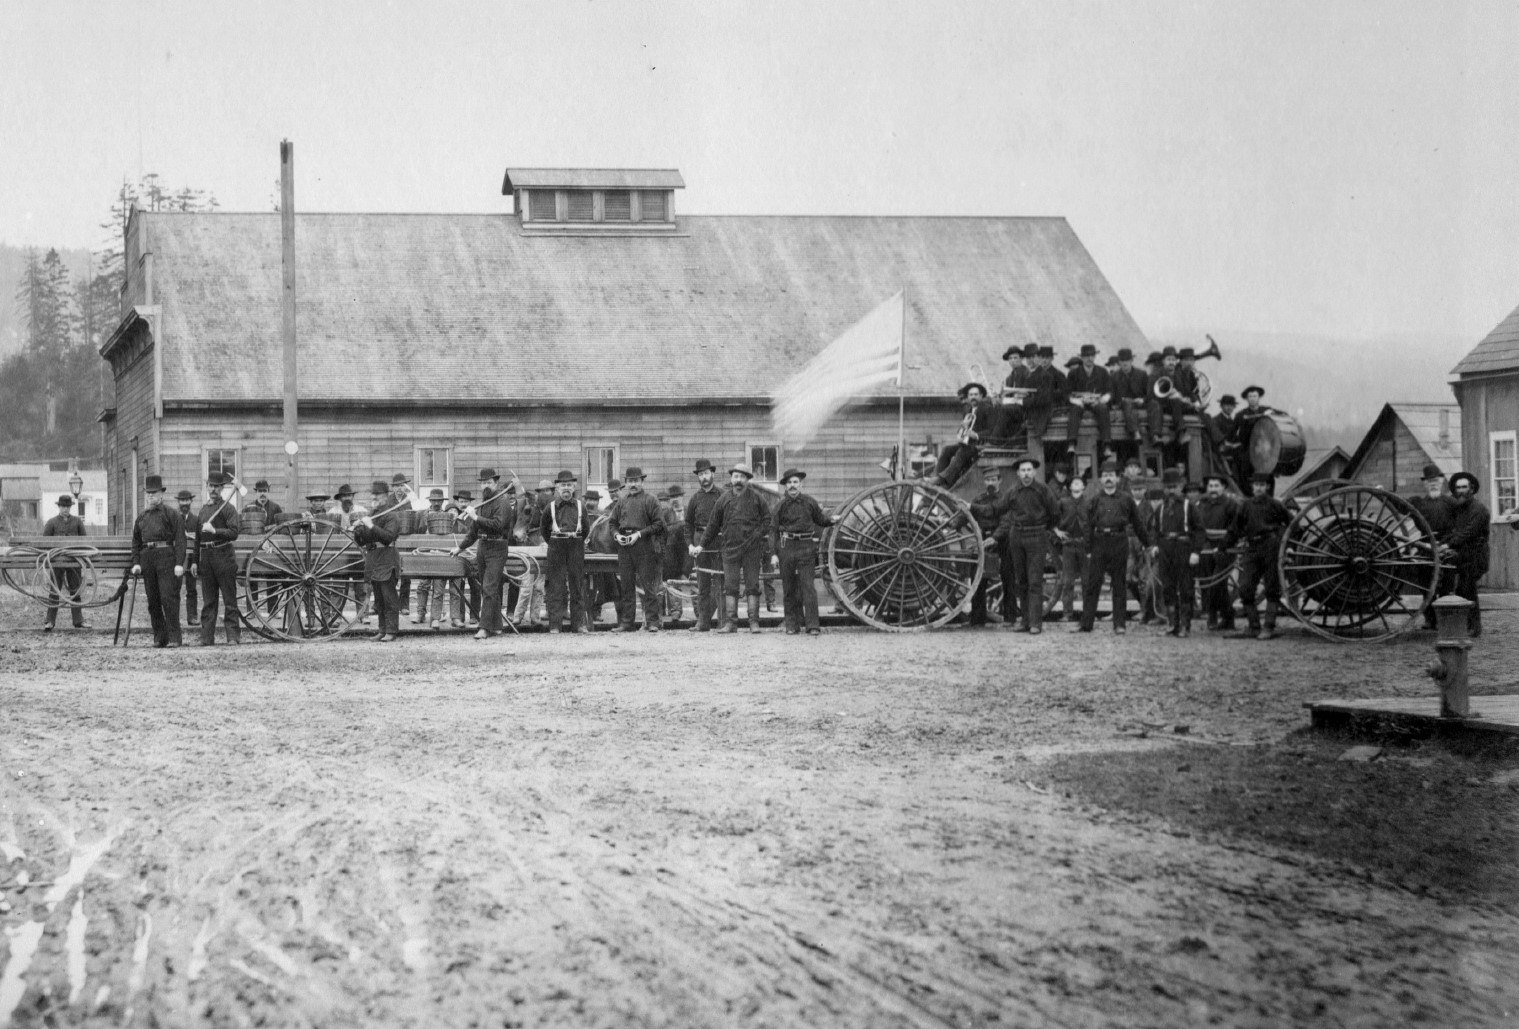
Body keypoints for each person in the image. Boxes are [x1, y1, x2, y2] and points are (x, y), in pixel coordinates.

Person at [985, 456, 1064, 634]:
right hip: (1017, 536)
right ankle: (1025, 621)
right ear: (1018, 473)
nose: (1026, 474)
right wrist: (971, 507)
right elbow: (996, 509)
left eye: (1029, 470)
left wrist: (1045, 527)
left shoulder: (1043, 490)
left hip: (1037, 536)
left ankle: (1035, 623)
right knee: (1021, 580)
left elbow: (1055, 513)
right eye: (1023, 471)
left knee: (1035, 580)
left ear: (1034, 472)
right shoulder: (1013, 492)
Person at [1073, 460, 1150, 635]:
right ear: (1101, 479)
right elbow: (1087, 527)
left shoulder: (1126, 499)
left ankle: (1119, 624)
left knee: (1119, 584)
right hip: (1099, 542)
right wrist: (1088, 549)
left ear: (1117, 478)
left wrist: (1148, 544)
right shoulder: (1094, 500)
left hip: (1119, 542)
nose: (1108, 479)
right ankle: (1086, 623)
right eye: (1105, 476)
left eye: (1111, 476)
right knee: (1093, 585)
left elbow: (1138, 524)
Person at [451, 468, 529, 639]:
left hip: (497, 547)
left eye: (489, 482)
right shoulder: (483, 504)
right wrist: (460, 548)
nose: (485, 485)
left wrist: (476, 518)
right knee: (487, 588)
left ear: (495, 484)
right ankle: (497, 625)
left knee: (489, 587)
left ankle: (484, 627)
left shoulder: (503, 503)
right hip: (483, 547)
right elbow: (473, 532)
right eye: (483, 483)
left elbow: (498, 525)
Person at [695, 462, 771, 633]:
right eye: (736, 476)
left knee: (752, 585)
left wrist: (757, 535)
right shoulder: (724, 499)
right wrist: (701, 545)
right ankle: (731, 623)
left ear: (747, 480)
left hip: (752, 550)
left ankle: (754, 622)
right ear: (731, 478)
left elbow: (767, 520)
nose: (739, 480)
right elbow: (713, 525)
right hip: (729, 549)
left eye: (743, 477)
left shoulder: (757, 498)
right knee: (730, 586)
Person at [1225, 472, 1294, 640]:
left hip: (1271, 546)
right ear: (1252, 487)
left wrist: (1286, 542)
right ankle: (1253, 626)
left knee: (1272, 587)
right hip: (1252, 548)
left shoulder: (1275, 505)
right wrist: (1223, 546)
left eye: (1262, 485)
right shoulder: (1246, 506)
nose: (1259, 488)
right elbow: (1235, 528)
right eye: (1256, 485)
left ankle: (1268, 627)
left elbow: (1292, 523)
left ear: (1267, 487)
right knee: (1245, 587)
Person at [771, 468, 837, 635]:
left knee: (808, 587)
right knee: (788, 588)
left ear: (801, 485)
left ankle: (813, 625)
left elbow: (820, 520)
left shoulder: (809, 502)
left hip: (806, 546)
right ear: (785, 486)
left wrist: (831, 520)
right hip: (786, 546)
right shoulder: (780, 506)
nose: (792, 486)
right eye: (789, 483)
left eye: (795, 482)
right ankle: (792, 625)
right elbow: (772, 531)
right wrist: (773, 554)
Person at [130, 474, 187, 648]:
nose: (150, 496)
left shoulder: (172, 514)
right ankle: (159, 637)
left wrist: (179, 563)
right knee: (153, 600)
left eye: (154, 493)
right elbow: (136, 543)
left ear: (161, 494)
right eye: (148, 493)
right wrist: (136, 562)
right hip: (148, 559)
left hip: (167, 558)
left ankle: (174, 638)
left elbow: (181, 540)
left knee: (168, 598)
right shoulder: (142, 517)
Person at [608, 466, 667, 631]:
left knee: (648, 587)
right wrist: (617, 536)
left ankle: (653, 622)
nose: (633, 484)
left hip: (644, 546)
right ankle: (627, 622)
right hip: (624, 546)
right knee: (626, 586)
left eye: (636, 481)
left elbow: (659, 524)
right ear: (626, 483)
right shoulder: (622, 502)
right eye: (630, 481)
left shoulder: (650, 500)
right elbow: (612, 523)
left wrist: (639, 534)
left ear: (642, 482)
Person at [537, 470, 594, 633]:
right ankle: (555, 625)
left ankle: (579, 624)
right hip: (556, 547)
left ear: (574, 486)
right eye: (563, 485)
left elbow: (586, 529)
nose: (566, 488)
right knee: (556, 586)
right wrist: (555, 542)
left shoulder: (580, 506)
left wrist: (575, 541)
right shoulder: (551, 507)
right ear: (557, 487)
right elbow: (544, 530)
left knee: (577, 585)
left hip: (576, 546)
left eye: (569, 485)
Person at [1152, 470, 1204, 637]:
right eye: (1168, 487)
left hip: (1183, 549)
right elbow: (1154, 530)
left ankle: (1184, 626)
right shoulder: (1160, 508)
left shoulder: (1189, 507)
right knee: (1167, 587)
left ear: (1181, 487)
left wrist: (1196, 552)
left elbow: (1199, 531)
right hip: (1165, 549)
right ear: (1164, 488)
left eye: (1174, 487)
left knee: (1185, 588)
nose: (1171, 490)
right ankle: (1172, 624)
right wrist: (1154, 545)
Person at [193, 471, 242, 646]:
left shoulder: (229, 509)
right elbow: (198, 539)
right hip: (206, 559)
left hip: (224, 557)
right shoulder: (204, 510)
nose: (213, 489)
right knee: (208, 601)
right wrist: (194, 561)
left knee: (229, 599)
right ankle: (207, 638)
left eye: (216, 486)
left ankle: (233, 637)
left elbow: (234, 533)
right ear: (207, 487)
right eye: (210, 486)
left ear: (222, 488)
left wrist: (215, 531)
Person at [354, 477, 405, 641]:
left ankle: (392, 631)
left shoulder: (391, 516)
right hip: (373, 559)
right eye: (372, 495)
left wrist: (370, 526)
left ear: (385, 496)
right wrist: (358, 531)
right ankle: (382, 630)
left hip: (387, 559)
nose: (373, 498)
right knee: (379, 600)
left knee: (389, 597)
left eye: (376, 496)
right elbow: (363, 541)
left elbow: (388, 538)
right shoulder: (373, 515)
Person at [1408, 463, 1456, 629]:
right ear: (1425, 484)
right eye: (1429, 481)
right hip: (1425, 548)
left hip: (1447, 547)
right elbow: (1399, 505)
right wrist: (1383, 493)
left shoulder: (1451, 503)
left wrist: (1449, 544)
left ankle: (1444, 619)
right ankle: (1430, 619)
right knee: (1426, 586)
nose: (1433, 483)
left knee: (1447, 586)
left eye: (1435, 480)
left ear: (1442, 481)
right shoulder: (1418, 503)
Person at [1443, 471, 1491, 637]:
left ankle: (1474, 626)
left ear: (1471, 489)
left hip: (1477, 556)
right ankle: (1464, 624)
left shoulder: (1479, 510)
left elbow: (1468, 533)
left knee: (1468, 588)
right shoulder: (1458, 509)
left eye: (1464, 487)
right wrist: (1445, 541)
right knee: (1459, 588)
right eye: (1458, 488)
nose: (1461, 490)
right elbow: (1453, 530)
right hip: (1463, 555)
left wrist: (1448, 544)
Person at [927, 383, 996, 489]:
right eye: (971, 395)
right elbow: (963, 431)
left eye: (976, 394)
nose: (973, 397)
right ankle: (936, 476)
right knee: (947, 449)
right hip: (968, 444)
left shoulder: (988, 409)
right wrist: (963, 426)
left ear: (981, 396)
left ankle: (943, 479)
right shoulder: (968, 410)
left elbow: (992, 431)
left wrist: (976, 435)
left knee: (963, 451)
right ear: (968, 397)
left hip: (981, 445)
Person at [683, 459, 725, 631]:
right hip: (699, 541)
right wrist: (690, 545)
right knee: (702, 584)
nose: (704, 477)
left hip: (718, 541)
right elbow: (688, 525)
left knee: (720, 583)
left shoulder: (722, 496)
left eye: (706, 473)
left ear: (712, 474)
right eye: (701, 474)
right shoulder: (695, 498)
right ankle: (703, 622)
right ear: (698, 478)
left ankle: (723, 622)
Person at [1196, 473, 1240, 630]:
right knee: (1206, 582)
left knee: (1218, 582)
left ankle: (1228, 615)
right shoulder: (1202, 504)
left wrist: (1224, 544)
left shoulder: (1231, 505)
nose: (1213, 489)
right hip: (1206, 547)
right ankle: (1212, 615)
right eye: (1210, 486)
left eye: (1216, 486)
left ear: (1223, 487)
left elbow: (1236, 528)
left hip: (1225, 547)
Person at [966, 466, 1008, 627]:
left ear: (999, 481)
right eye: (988, 480)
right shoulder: (979, 500)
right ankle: (977, 619)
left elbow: (1006, 521)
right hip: (982, 539)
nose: (990, 483)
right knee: (977, 580)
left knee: (1008, 578)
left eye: (993, 480)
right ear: (984, 482)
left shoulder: (1005, 499)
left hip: (1002, 541)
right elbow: (967, 517)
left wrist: (995, 537)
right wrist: (950, 524)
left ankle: (1010, 618)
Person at [41, 494, 88, 631]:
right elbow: (45, 543)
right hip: (56, 561)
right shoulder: (51, 523)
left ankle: (78, 620)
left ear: (70, 507)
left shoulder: (77, 522)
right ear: (59, 507)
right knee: (54, 590)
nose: (65, 509)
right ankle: (50, 621)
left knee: (75, 589)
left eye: (67, 506)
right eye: (63, 506)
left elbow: (84, 541)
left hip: (74, 561)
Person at [327, 484, 370, 622]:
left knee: (361, 586)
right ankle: (336, 616)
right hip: (340, 553)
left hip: (358, 552)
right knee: (338, 586)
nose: (347, 498)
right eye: (344, 496)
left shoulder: (362, 511)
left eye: (349, 496)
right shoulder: (332, 513)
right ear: (340, 498)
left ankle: (363, 615)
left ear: (353, 497)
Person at [413, 489, 453, 630]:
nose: (436, 503)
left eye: (439, 500)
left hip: (440, 553)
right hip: (425, 553)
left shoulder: (447, 516)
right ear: (430, 501)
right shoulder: (421, 515)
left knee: (439, 587)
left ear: (443, 502)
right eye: (434, 500)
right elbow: (417, 532)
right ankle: (420, 614)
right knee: (423, 585)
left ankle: (435, 618)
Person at [1051, 473, 1088, 624]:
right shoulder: (1063, 502)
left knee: (1087, 581)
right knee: (1067, 581)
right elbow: (1051, 516)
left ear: (1084, 487)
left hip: (1085, 546)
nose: (1077, 485)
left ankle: (1088, 612)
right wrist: (1057, 531)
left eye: (1080, 483)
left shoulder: (1090, 502)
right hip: (1068, 545)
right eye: (1074, 483)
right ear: (1069, 487)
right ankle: (1067, 613)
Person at [1065, 343, 1113, 456]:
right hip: (1080, 402)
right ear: (1081, 358)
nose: (1090, 359)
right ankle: (1071, 443)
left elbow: (1110, 391)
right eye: (1086, 356)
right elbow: (1066, 392)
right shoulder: (1073, 373)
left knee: (1103, 409)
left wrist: (1104, 398)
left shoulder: (1102, 371)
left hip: (1096, 401)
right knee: (1074, 410)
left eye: (1092, 356)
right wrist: (1075, 400)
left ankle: (1107, 445)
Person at [1146, 346, 1188, 445]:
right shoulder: (1155, 375)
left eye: (1174, 360)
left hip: (1173, 405)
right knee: (1155, 403)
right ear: (1163, 361)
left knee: (1176, 401)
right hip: (1158, 405)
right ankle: (1155, 436)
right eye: (1169, 359)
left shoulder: (1178, 375)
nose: (1171, 362)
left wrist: (1180, 396)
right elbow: (1149, 396)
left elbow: (1183, 392)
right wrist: (1168, 394)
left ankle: (1181, 433)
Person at [1110, 347, 1148, 456]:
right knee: (1127, 402)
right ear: (1119, 363)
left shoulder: (1142, 374)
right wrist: (1117, 401)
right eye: (1122, 361)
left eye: (1127, 361)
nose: (1125, 364)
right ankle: (1135, 432)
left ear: (1132, 361)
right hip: (1123, 404)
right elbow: (1112, 395)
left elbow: (1149, 394)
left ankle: (1135, 431)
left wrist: (1142, 400)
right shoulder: (1114, 377)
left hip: (1139, 404)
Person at [1232, 386, 1272, 486]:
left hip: (1264, 448)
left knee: (1268, 473)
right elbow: (1231, 432)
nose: (1252, 398)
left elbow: (1281, 414)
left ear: (1259, 398)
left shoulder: (1266, 410)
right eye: (1250, 396)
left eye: (1255, 396)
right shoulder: (1240, 415)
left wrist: (1272, 413)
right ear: (1246, 399)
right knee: (1245, 471)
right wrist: (1235, 443)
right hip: (1247, 448)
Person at [175, 489, 200, 628]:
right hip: (177, 560)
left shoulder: (196, 520)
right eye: (182, 501)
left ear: (191, 501)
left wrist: (195, 561)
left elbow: (197, 541)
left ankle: (192, 617)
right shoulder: (173, 518)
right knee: (175, 589)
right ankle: (174, 619)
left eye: (187, 500)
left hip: (191, 559)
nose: (184, 503)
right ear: (178, 502)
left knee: (192, 589)